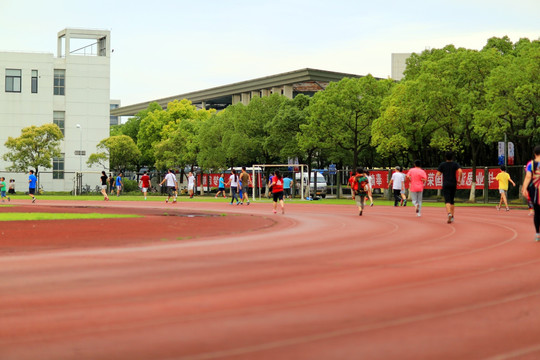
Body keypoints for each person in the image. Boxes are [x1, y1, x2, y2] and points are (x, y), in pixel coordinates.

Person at [437, 151, 463, 224]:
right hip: (453, 183)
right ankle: (452, 216)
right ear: (452, 157)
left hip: (446, 183)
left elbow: (438, 174)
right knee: (452, 200)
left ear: (445, 157)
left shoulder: (442, 164)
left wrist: (441, 172)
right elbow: (460, 171)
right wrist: (459, 180)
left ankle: (449, 213)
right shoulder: (455, 164)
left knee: (447, 200)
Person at [521, 145, 540, 241]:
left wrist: (524, 188)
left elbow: (528, 177)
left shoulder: (531, 164)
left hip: (535, 191)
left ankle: (537, 234)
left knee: (537, 213)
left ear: (534, 153)